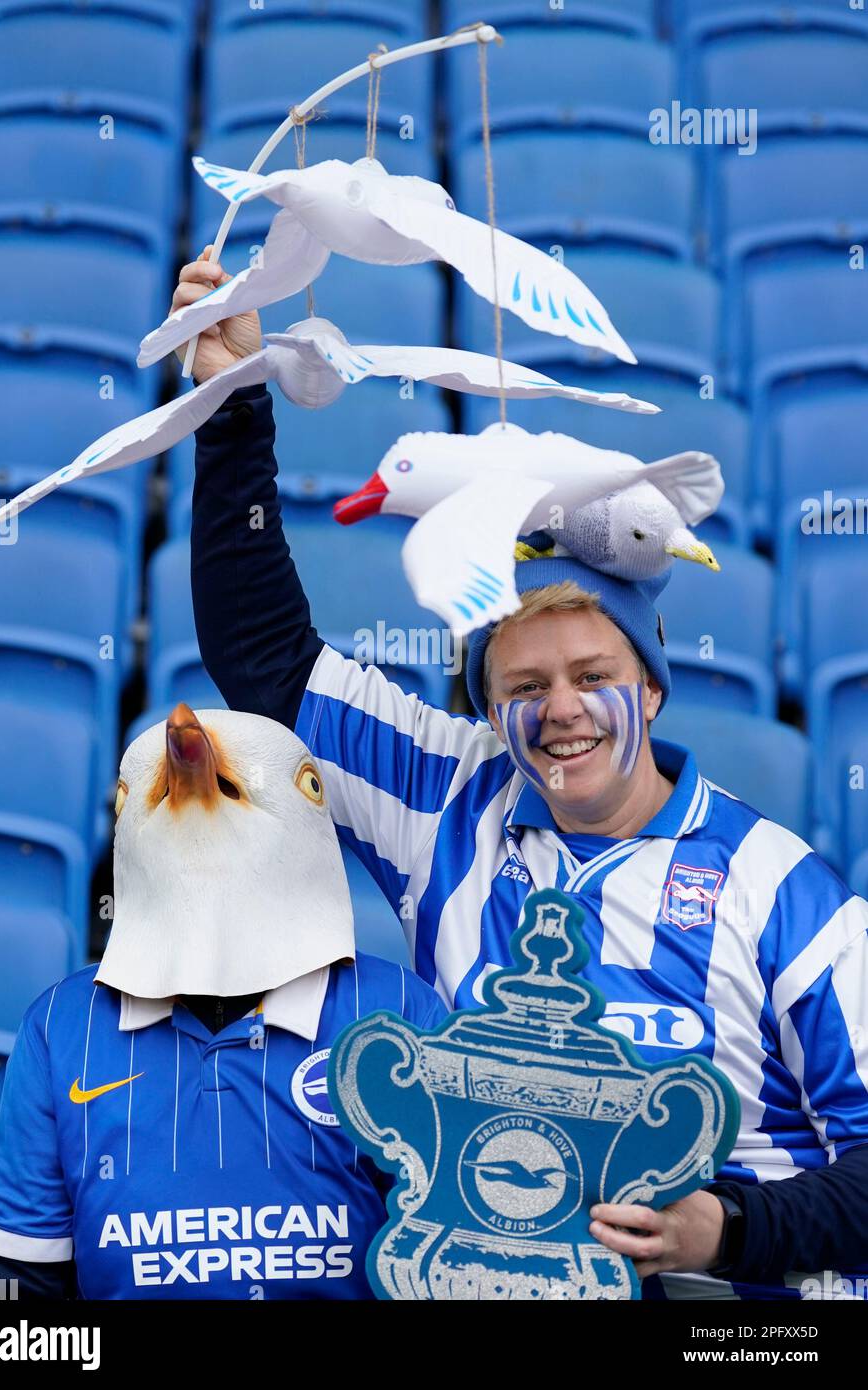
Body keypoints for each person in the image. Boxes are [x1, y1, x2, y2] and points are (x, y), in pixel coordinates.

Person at [180, 250, 868, 1300]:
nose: (557, 712)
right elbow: (266, 660)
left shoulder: (784, 891)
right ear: (484, 702)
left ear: (650, 688)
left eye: (593, 675)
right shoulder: (449, 794)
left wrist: (721, 1229)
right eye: (523, 683)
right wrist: (231, 409)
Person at [0, 704, 446, 1299]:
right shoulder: (59, 1027)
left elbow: (450, 1260)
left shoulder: (401, 1014)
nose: (184, 739)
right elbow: (18, 1276)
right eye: (129, 794)